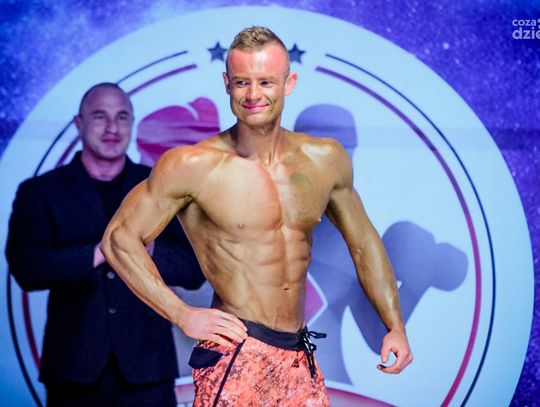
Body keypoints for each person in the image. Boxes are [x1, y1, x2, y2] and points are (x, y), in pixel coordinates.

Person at [101, 27, 413, 406]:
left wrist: (394, 325)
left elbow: (363, 243)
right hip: (235, 353)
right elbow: (118, 239)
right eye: (241, 82)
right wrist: (181, 314)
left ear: (289, 83)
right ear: (226, 83)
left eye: (265, 82)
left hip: (298, 354)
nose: (253, 94)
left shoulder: (325, 159)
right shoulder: (193, 165)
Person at [6, 83, 205, 407]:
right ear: (79, 123)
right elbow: (29, 268)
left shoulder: (161, 188)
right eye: (100, 116)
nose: (112, 127)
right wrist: (102, 251)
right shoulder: (41, 191)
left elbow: (195, 270)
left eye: (122, 117)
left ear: (132, 123)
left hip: (148, 371)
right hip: (73, 371)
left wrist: (149, 251)